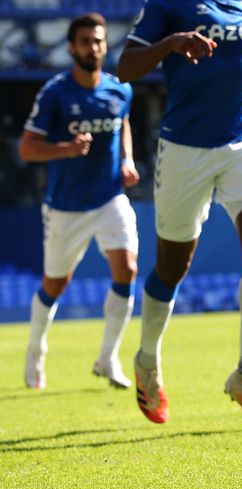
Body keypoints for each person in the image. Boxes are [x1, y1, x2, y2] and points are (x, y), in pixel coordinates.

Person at [117, 0, 242, 430]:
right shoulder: (167, 4)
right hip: (184, 148)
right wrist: (171, 43)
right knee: (173, 266)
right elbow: (125, 67)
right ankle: (147, 360)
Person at [20, 13, 139, 390]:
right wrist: (66, 149)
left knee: (128, 268)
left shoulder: (120, 90)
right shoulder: (55, 93)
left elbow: (124, 124)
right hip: (65, 207)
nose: (93, 47)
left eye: (99, 41)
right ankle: (35, 350)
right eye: (85, 41)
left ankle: (108, 358)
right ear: (72, 47)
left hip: (109, 198)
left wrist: (128, 161)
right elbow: (27, 148)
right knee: (55, 284)